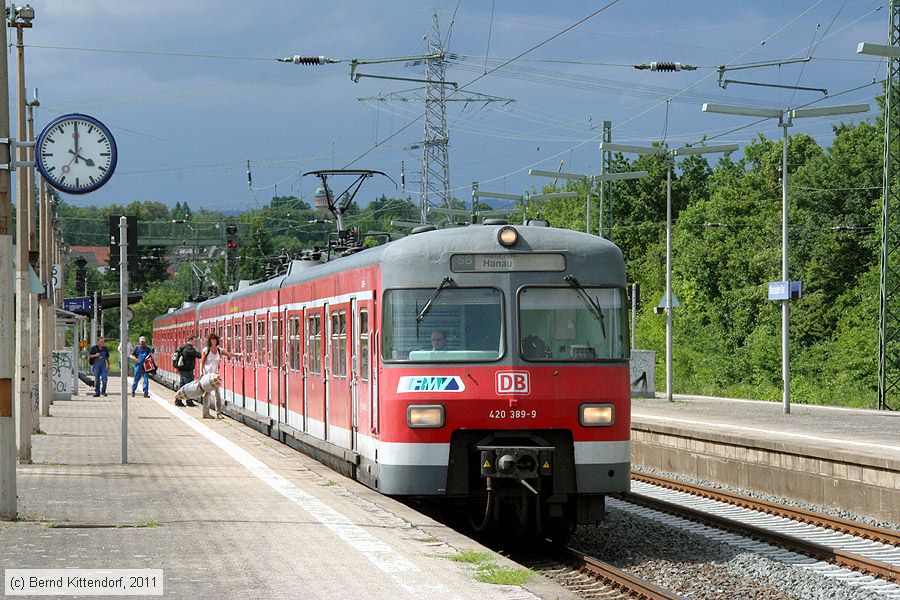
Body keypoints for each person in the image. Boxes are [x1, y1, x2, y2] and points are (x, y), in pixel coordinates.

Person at [199, 333, 242, 419]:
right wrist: (201, 372)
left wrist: (237, 355)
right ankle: (205, 413)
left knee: (218, 394)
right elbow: (202, 362)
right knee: (207, 394)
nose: (213, 341)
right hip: (207, 375)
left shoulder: (219, 350)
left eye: (215, 339)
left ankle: (218, 413)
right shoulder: (206, 350)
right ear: (209, 341)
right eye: (212, 339)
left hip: (215, 376)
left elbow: (229, 354)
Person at [175, 336, 202, 408]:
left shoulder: (183, 347)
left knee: (182, 385)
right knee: (189, 386)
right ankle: (188, 401)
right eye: (194, 340)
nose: (195, 342)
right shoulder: (189, 349)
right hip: (187, 370)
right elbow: (199, 355)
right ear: (190, 340)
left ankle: (179, 401)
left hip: (183, 370)